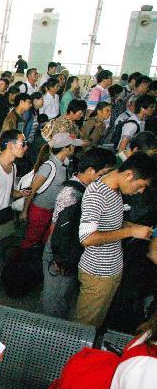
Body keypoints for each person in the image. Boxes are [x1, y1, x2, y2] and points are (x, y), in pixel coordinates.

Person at [76, 154, 157, 327]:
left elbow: (112, 224)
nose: (141, 191)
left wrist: (136, 229)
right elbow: (87, 238)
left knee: (96, 323)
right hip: (97, 274)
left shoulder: (114, 190)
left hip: (111, 271)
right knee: (85, 327)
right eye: (141, 185)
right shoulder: (97, 194)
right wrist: (131, 231)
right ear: (128, 174)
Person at [40, 148, 115, 319]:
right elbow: (56, 229)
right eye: (105, 173)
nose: (107, 177)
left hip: (68, 254)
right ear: (90, 171)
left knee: (62, 296)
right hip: (61, 255)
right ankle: (45, 335)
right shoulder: (71, 193)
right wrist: (59, 258)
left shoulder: (87, 189)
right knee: (54, 300)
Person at [18, 132, 82, 252]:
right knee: (30, 241)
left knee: (43, 240)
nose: (75, 149)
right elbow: (32, 190)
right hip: (40, 210)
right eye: (72, 146)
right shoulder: (49, 166)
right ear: (65, 148)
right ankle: (21, 263)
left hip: (51, 211)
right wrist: (24, 211)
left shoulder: (64, 165)